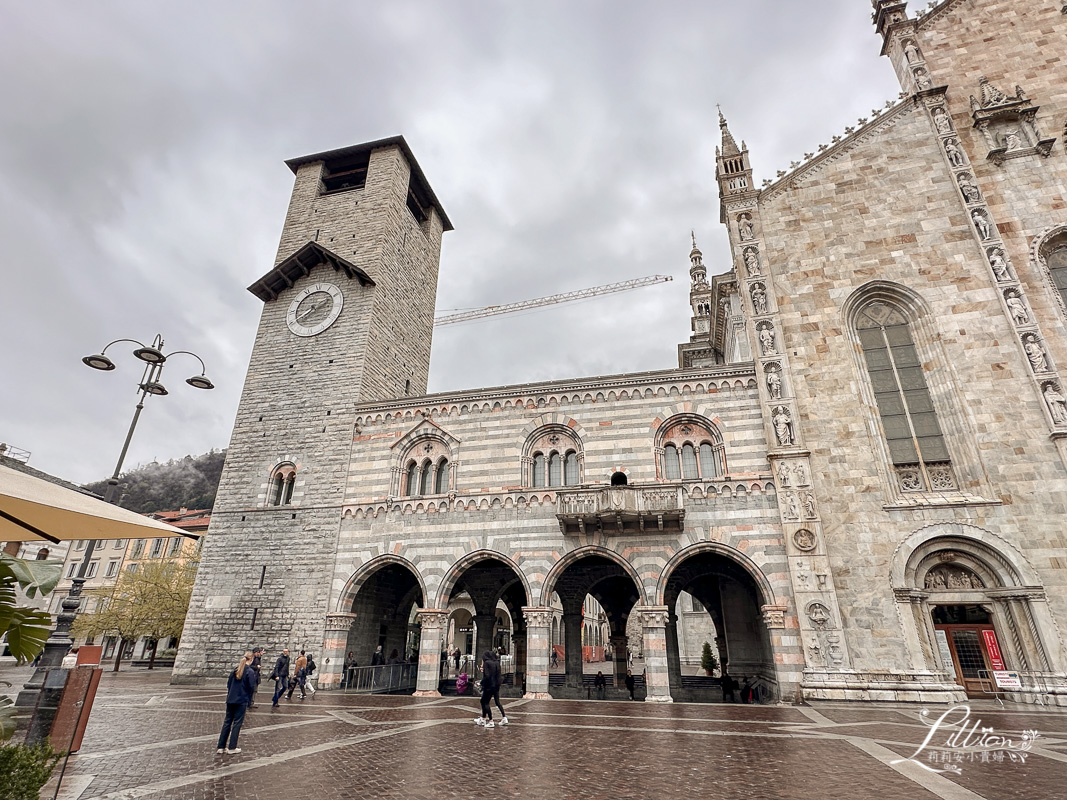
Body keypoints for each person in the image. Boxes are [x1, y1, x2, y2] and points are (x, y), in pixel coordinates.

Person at [217, 651, 256, 754]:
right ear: (251, 659)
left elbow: (229, 684)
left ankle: (221, 746)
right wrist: (248, 698)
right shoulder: (250, 672)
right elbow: (251, 687)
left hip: (231, 699)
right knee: (237, 723)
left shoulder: (235, 670)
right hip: (241, 700)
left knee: (227, 722)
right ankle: (232, 747)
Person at [475, 650, 508, 728]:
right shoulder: (496, 663)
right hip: (496, 685)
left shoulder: (487, 663)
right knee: (497, 702)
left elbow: (487, 676)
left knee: (485, 702)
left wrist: (481, 683)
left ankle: (490, 721)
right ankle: (504, 717)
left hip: (489, 686)